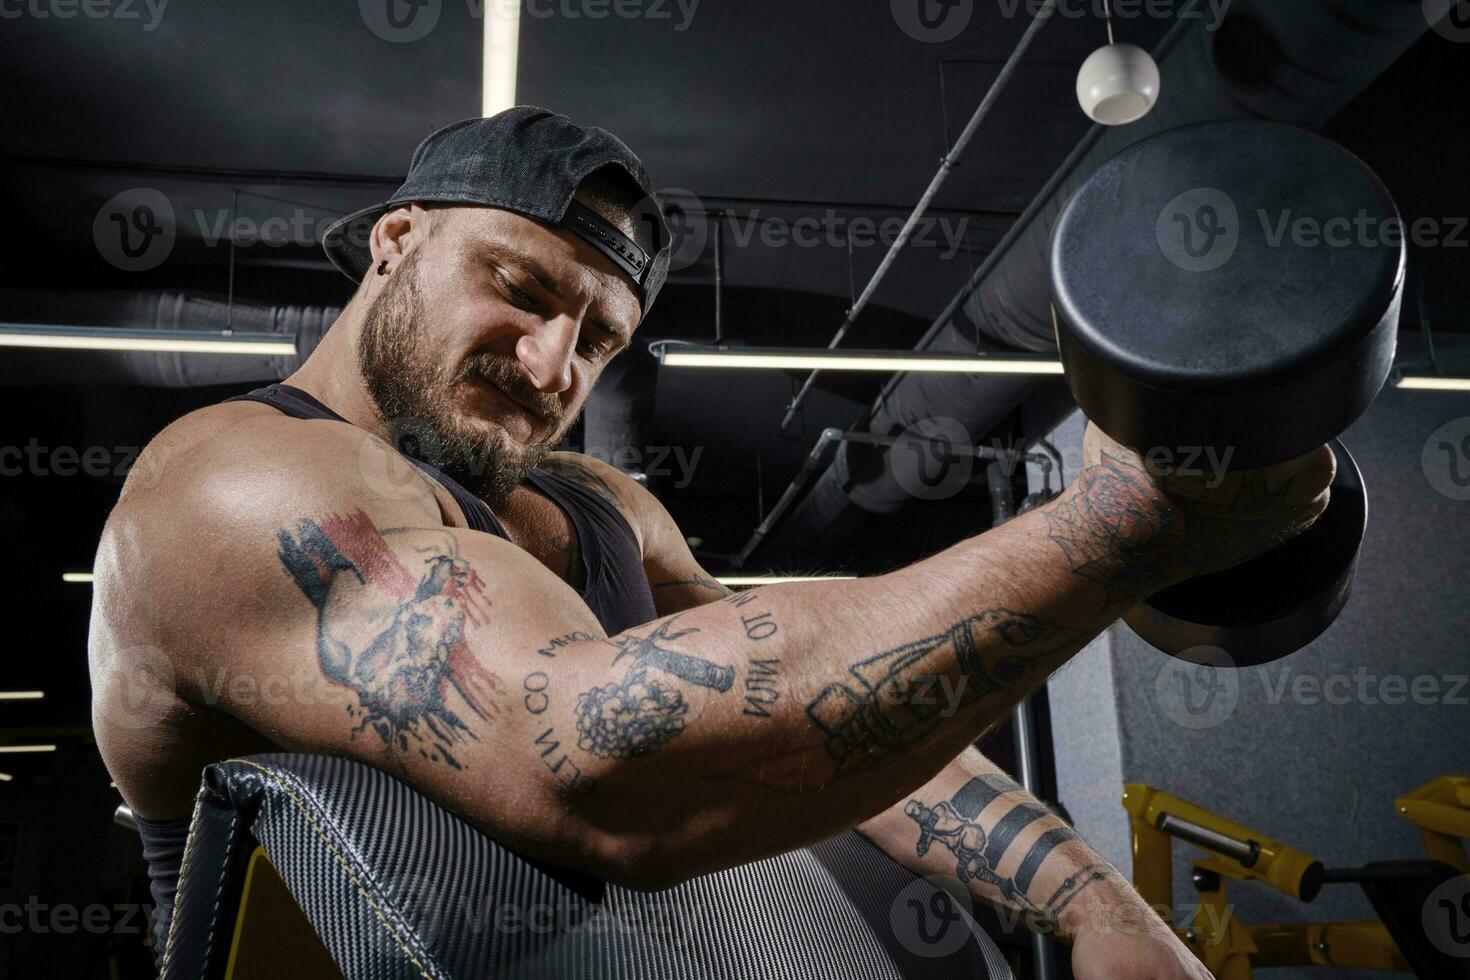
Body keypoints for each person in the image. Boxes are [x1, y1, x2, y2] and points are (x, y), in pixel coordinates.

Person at [88, 106, 1333, 979]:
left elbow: (812, 707)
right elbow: (593, 765)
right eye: (520, 289)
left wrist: (1091, 899)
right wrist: (1135, 524)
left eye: (600, 338)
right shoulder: (233, 485)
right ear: (398, 240)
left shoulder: (598, 504)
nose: (552, 366)